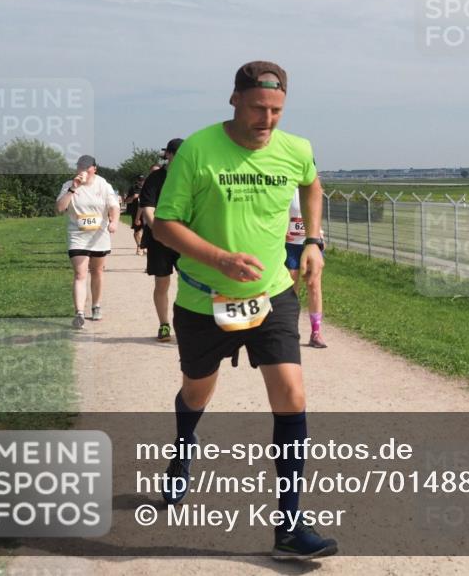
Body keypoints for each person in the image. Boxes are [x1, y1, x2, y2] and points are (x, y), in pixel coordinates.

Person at [153, 60, 337, 561]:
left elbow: (312, 184)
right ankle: (183, 451)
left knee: (292, 394)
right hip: (203, 299)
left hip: (273, 294)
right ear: (234, 99)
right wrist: (219, 259)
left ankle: (290, 524)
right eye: (258, 108)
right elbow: (164, 224)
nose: (267, 120)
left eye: (277, 110)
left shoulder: (295, 149)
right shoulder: (198, 149)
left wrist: (314, 241)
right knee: (197, 390)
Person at [54, 155, 120, 329]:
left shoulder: (103, 184)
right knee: (80, 274)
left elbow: (114, 206)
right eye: (80, 167)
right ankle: (79, 313)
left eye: (86, 167)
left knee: (97, 271)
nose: (83, 170)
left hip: (99, 235)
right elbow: (60, 209)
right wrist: (73, 189)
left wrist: (114, 221)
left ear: (94, 169)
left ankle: (96, 305)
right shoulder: (69, 185)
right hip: (78, 235)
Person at [139, 140, 184, 342]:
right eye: (179, 154)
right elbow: (148, 208)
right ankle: (164, 324)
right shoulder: (155, 179)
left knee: (191, 284)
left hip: (185, 239)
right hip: (160, 239)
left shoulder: (192, 176)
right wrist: (160, 232)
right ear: (169, 155)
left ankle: (187, 326)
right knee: (162, 283)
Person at [285, 188, 326, 348]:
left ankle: (316, 333)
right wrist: (281, 232)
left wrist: (319, 235)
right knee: (290, 290)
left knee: (314, 286)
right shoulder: (286, 185)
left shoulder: (313, 188)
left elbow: (315, 215)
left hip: (310, 244)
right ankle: (289, 331)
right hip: (290, 245)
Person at [124, 176, 146, 254]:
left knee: (146, 231)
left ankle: (144, 247)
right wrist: (133, 197)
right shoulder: (133, 188)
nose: (141, 182)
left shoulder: (148, 187)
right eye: (140, 180)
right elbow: (126, 201)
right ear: (137, 181)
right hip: (135, 212)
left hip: (146, 213)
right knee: (137, 231)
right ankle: (139, 246)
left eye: (143, 180)